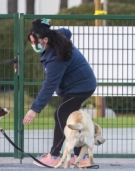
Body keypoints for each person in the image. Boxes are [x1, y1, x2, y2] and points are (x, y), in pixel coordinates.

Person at [22, 19, 98, 168]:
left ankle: (54, 156)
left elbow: (49, 86)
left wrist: (34, 109)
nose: (33, 45)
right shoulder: (57, 37)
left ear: (45, 40)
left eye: (35, 42)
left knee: (60, 114)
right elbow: (67, 32)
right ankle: (80, 158)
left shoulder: (56, 58)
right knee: (72, 119)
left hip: (82, 86)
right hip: (74, 86)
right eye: (31, 42)